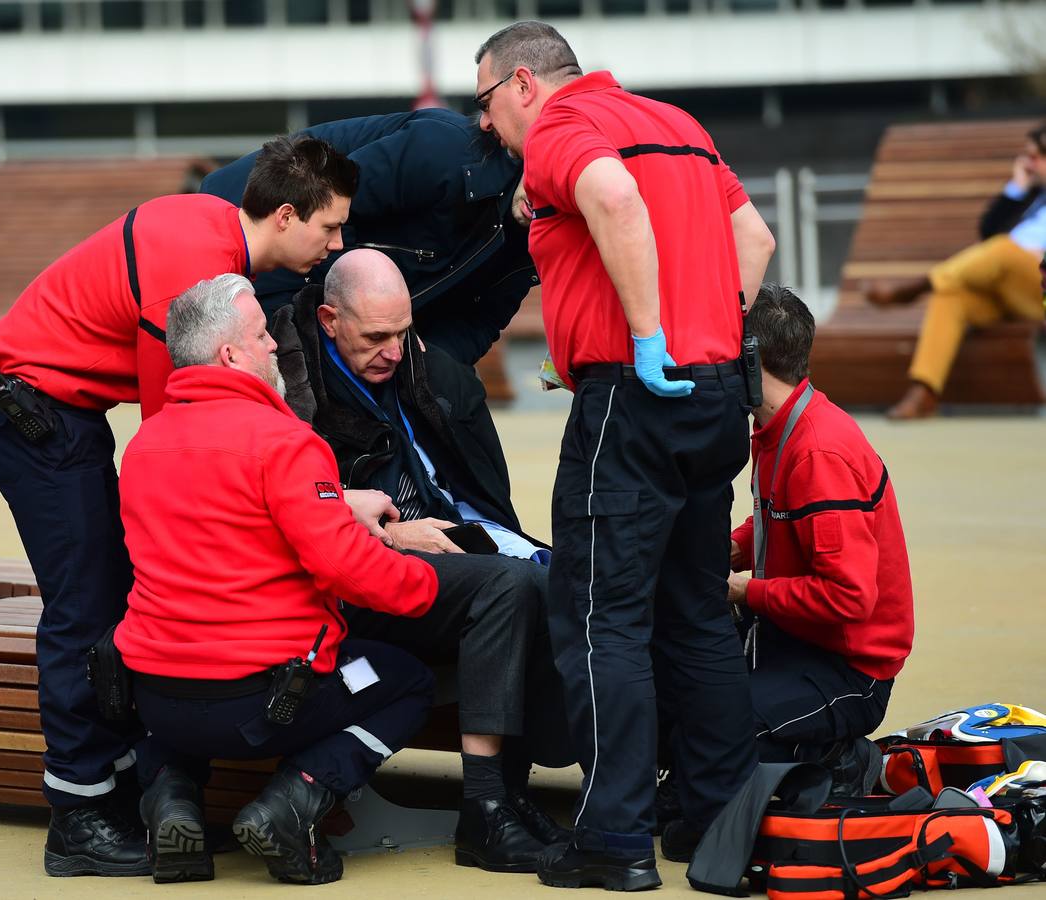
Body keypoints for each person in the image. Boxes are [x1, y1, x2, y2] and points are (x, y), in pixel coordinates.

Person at [0, 136, 357, 877]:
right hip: (36, 415)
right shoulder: (196, 266)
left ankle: (114, 792)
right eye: (330, 227)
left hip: (54, 413)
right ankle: (77, 817)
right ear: (284, 214)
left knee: (103, 600)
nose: (336, 245)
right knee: (84, 609)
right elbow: (175, 428)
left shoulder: (210, 232)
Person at [471, 21, 777, 890]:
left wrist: (648, 339)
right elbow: (754, 241)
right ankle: (719, 824)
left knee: (600, 616)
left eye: (487, 103)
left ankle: (612, 838)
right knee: (696, 612)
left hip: (636, 402)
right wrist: (710, 337)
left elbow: (613, 199)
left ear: (525, 84)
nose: (487, 126)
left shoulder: (565, 131)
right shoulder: (676, 123)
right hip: (716, 392)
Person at [114, 274, 439, 885]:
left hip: (157, 695)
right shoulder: (287, 441)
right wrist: (427, 583)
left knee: (187, 692)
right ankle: (295, 799)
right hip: (266, 701)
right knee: (404, 681)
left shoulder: (145, 442)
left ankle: (170, 798)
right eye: (262, 336)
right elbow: (344, 565)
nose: (275, 348)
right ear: (230, 355)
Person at [272, 248, 572, 873]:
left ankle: (517, 796)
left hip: (460, 541)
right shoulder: (294, 397)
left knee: (572, 582)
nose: (393, 350)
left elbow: (485, 494)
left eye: (403, 333)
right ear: (329, 320)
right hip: (368, 577)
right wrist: (388, 535)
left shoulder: (429, 371)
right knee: (511, 588)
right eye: (375, 336)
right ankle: (488, 810)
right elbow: (286, 515)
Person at [725, 284, 914, 813]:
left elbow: (848, 598)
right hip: (796, 636)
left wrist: (743, 590)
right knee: (695, 705)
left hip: (851, 668)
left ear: (748, 358)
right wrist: (732, 550)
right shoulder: (779, 426)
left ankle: (844, 759)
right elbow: (777, 519)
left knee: (728, 734)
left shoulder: (818, 452)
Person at [201, 108, 537, 365]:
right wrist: (340, 327)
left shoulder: (537, 236)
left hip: (323, 287)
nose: (551, 203)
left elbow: (477, 322)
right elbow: (324, 216)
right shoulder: (444, 152)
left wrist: (423, 364)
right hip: (253, 232)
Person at [867, 123, 1046, 420]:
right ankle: (924, 392)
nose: (1027, 163)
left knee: (1004, 249)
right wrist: (1016, 189)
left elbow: (998, 246)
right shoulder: (1032, 197)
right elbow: (987, 232)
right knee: (950, 295)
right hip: (1014, 291)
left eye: (1034, 156)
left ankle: (914, 287)